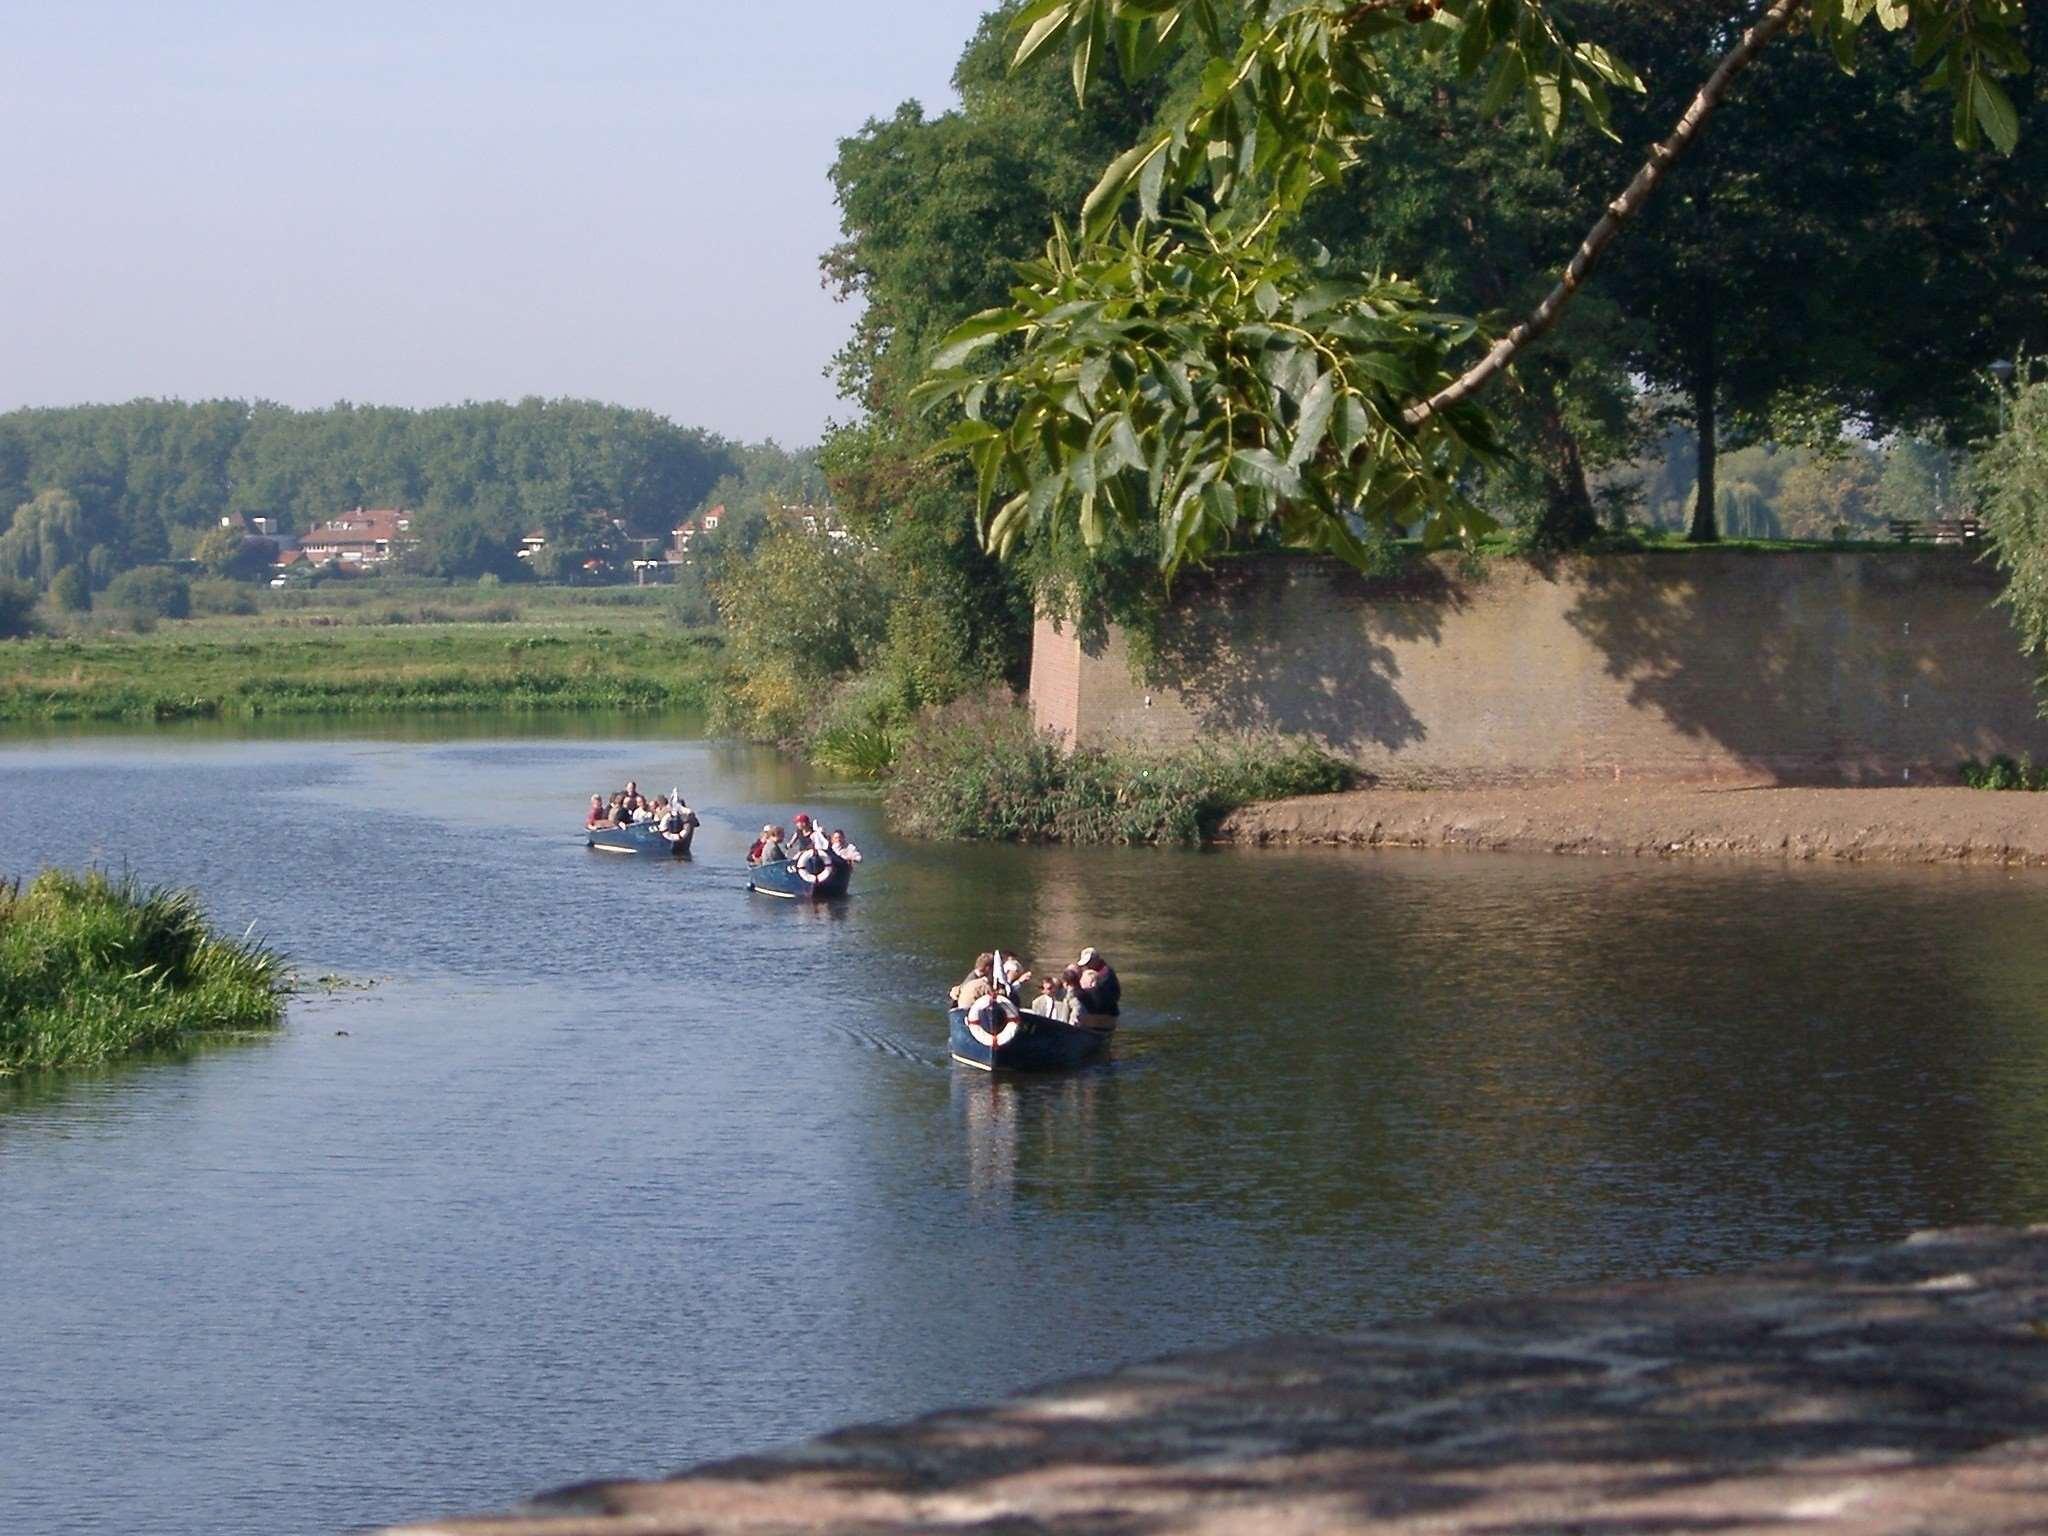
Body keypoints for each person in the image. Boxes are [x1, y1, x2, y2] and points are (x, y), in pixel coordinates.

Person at [1076, 948, 1121, 1017]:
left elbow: (1106, 997)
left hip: (1106, 1013)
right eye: (1085, 964)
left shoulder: (1106, 973)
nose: (1086, 966)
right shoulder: (1090, 971)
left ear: (1096, 960)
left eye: (1088, 963)